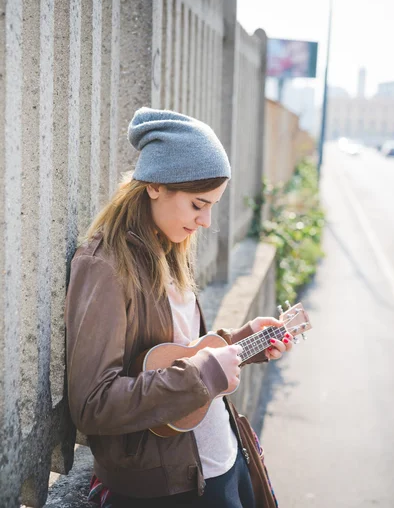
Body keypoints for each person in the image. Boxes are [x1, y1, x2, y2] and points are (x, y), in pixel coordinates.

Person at [65, 108, 293, 507]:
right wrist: (202, 376)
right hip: (171, 489)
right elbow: (92, 405)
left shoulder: (169, 248)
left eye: (212, 206)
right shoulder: (104, 267)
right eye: (197, 204)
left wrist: (239, 343)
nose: (205, 221)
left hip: (222, 461)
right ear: (155, 186)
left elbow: (180, 352)